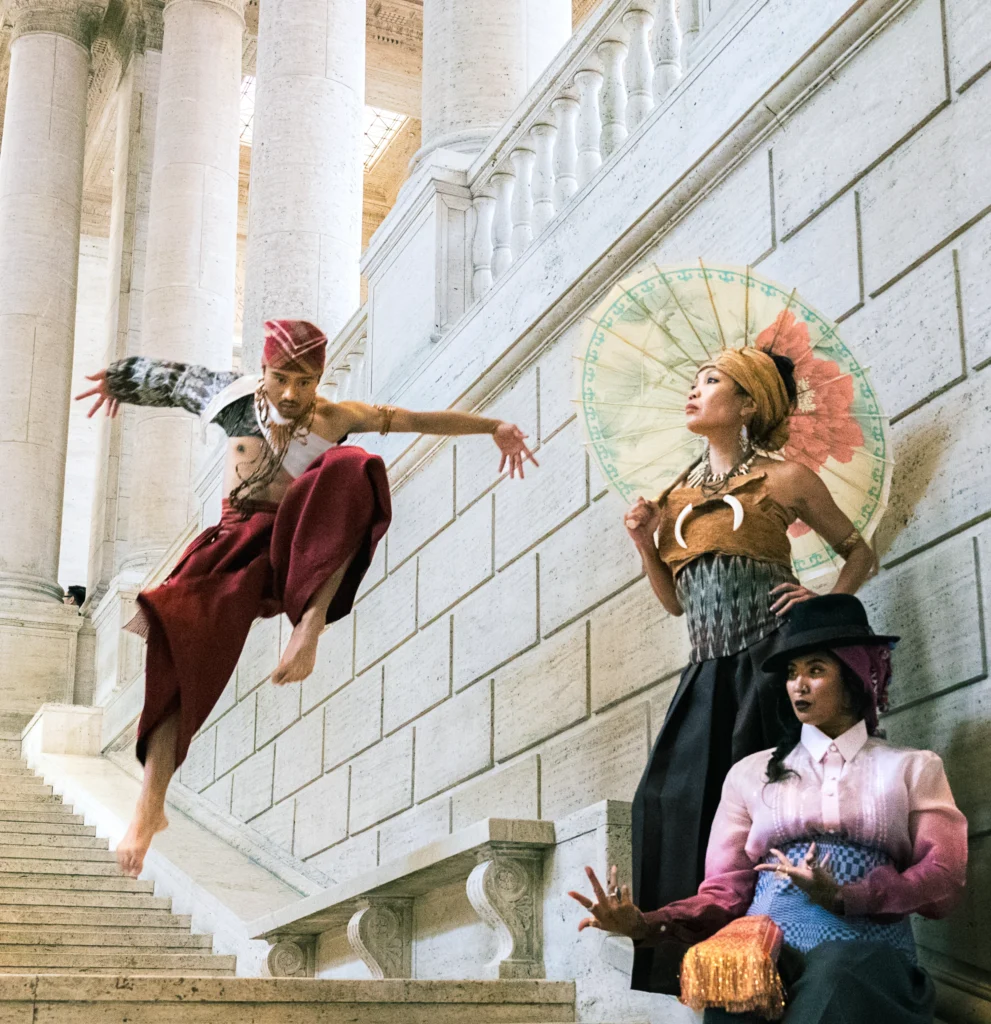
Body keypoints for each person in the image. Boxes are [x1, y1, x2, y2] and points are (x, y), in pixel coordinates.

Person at [75, 318, 538, 877]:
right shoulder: (232, 400)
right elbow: (171, 381)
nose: (292, 395)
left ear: (320, 377)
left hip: (294, 547)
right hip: (233, 545)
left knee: (353, 465)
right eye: (280, 379)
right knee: (176, 639)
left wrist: (494, 427)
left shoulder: (334, 417)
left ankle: (309, 628)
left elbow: (415, 418)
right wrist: (118, 380)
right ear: (263, 373)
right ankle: (151, 803)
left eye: (305, 381)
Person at [569, 595, 968, 1022]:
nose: (799, 684)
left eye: (815, 670)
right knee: (735, 974)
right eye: (792, 673)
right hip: (769, 951)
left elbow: (943, 879)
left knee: (835, 975)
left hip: (869, 958)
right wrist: (646, 924)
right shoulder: (750, 773)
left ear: (854, 676)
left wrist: (846, 895)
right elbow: (725, 891)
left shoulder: (910, 767)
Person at [623, 347, 877, 992]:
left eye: (711, 381)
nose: (694, 391)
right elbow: (675, 602)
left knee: (770, 804)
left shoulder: (786, 478)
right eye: (693, 380)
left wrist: (826, 599)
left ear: (747, 404)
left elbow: (858, 549)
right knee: (666, 798)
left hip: (769, 662)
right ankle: (690, 957)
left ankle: (781, 949)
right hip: (705, 668)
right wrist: (644, 544)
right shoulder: (674, 496)